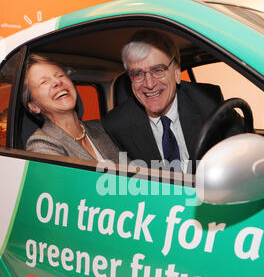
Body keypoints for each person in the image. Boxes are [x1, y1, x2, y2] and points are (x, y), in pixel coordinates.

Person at [102, 30, 243, 173]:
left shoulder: (208, 102)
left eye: (158, 70)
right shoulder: (117, 125)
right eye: (137, 74)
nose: (149, 84)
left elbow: (243, 151)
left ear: (176, 71)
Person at [23, 54, 119, 162]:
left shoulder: (100, 128)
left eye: (60, 75)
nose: (57, 82)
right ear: (34, 106)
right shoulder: (41, 144)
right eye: (44, 82)